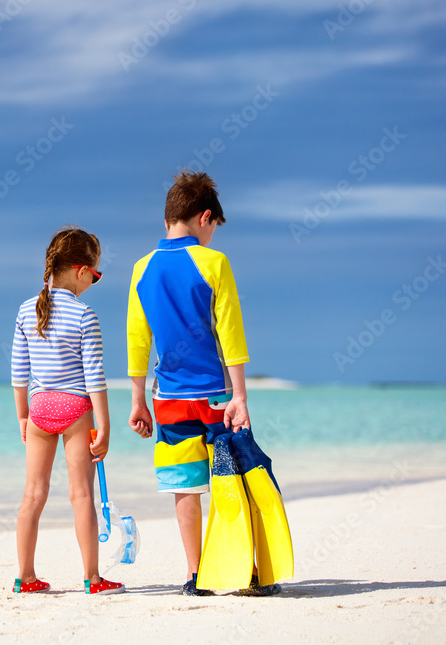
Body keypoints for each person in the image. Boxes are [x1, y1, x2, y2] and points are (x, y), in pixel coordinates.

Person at [126, 169, 275, 596]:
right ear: (205, 217)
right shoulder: (214, 262)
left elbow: (139, 338)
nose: (212, 236)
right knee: (236, 480)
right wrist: (241, 396)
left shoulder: (142, 268)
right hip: (215, 395)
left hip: (167, 399)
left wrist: (138, 398)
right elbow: (231, 333)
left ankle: (197, 576)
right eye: (213, 228)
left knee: (185, 487)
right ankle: (246, 573)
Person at [10, 227, 124, 596]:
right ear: (80, 270)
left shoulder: (27, 310)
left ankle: (25, 578)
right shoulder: (85, 315)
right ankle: (93, 578)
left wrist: (23, 416)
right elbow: (95, 378)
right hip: (76, 408)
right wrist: (104, 427)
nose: (95, 280)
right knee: (81, 496)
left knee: (33, 494)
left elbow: (19, 371)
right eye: (96, 273)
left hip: (40, 407)